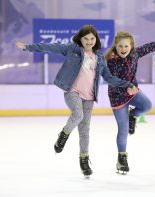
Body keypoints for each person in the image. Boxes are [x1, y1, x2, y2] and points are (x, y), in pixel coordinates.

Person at [16, 25, 137, 177]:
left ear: (96, 40)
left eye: (92, 38)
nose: (89, 41)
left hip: (89, 97)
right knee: (78, 115)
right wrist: (28, 47)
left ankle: (84, 160)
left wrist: (128, 84)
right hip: (72, 92)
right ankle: (64, 134)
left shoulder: (99, 57)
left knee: (85, 130)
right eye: (86, 38)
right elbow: (50, 47)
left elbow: (109, 78)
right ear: (80, 38)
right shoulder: (72, 49)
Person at [104, 32, 155, 174]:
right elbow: (112, 80)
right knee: (123, 130)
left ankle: (133, 115)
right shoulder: (111, 60)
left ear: (131, 47)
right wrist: (127, 87)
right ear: (115, 46)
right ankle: (121, 159)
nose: (123, 49)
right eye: (120, 46)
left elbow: (150, 47)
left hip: (132, 92)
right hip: (117, 96)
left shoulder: (135, 54)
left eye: (126, 46)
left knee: (147, 105)